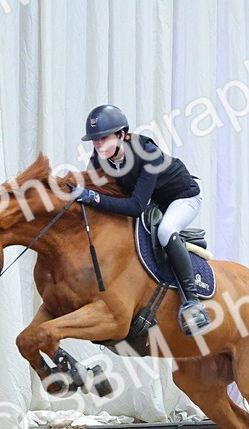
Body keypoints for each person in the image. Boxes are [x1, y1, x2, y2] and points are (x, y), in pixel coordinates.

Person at [72, 104, 211, 335]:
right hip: (153, 200)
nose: (98, 145)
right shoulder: (99, 158)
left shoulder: (147, 153)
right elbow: (92, 192)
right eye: (95, 140)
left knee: (166, 230)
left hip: (183, 196)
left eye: (104, 138)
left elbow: (136, 206)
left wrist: (93, 197)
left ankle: (192, 302)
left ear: (122, 135)